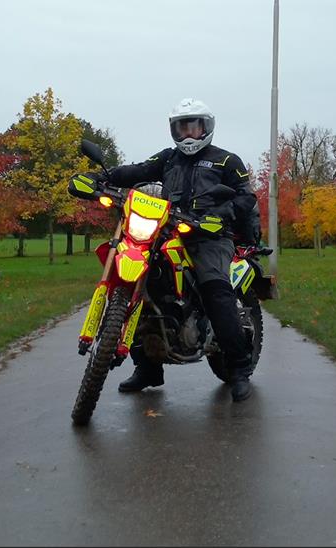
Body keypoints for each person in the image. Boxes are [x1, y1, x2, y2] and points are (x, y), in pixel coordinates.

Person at [80, 98, 258, 402]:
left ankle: (239, 368)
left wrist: (222, 215)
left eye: (193, 126)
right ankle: (148, 369)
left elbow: (245, 197)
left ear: (206, 127)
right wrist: (102, 178)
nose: (188, 133)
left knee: (215, 287)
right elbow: (137, 170)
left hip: (210, 235)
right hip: (169, 230)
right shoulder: (169, 159)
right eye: (181, 127)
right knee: (142, 285)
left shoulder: (226, 161)